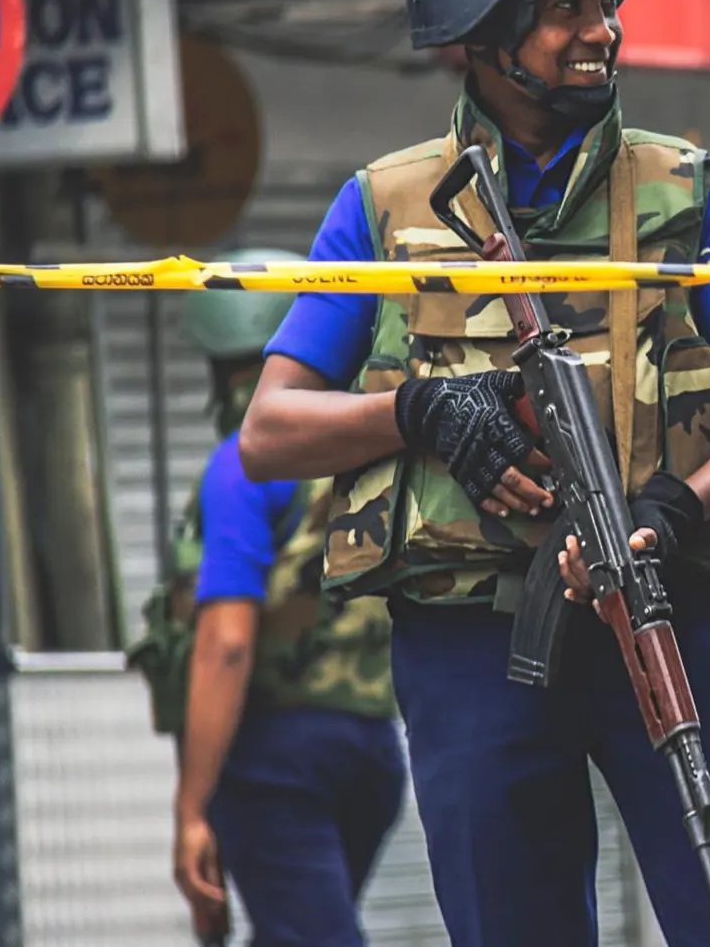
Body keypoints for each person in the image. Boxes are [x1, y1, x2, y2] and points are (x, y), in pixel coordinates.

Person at [234, 0, 710, 944]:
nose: (600, 32)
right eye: (567, 9)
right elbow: (271, 432)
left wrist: (675, 505)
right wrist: (423, 413)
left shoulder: (690, 191)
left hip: (668, 607)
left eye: (608, 3)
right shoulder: (382, 206)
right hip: (472, 642)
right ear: (482, 29)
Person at [127, 247, 407, 947]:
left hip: (275, 756)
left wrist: (191, 809)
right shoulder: (363, 453)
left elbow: (225, 641)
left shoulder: (242, 469)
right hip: (372, 747)